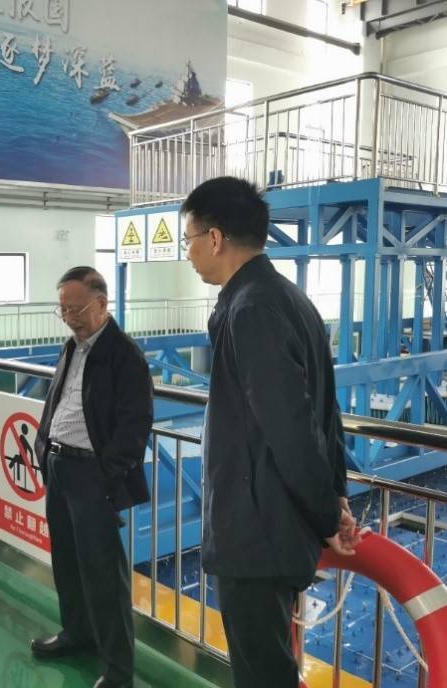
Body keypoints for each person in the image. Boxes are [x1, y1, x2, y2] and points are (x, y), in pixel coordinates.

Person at [180, 177, 358, 688]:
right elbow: (326, 412)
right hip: (274, 527)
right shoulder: (290, 299)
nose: (188, 254)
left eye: (189, 240)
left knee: (262, 673)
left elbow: (291, 429)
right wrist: (334, 496)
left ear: (215, 238)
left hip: (256, 534)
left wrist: (328, 514)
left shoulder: (251, 308)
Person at [30, 266, 153, 688]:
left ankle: (118, 670)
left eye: (76, 309)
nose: (69, 318)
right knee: (66, 561)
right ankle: (76, 633)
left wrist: (103, 476)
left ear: (102, 304)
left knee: (104, 575)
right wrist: (44, 450)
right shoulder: (72, 347)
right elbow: (59, 402)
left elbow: (134, 428)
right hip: (59, 467)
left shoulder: (125, 355)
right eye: (62, 310)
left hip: (91, 474)